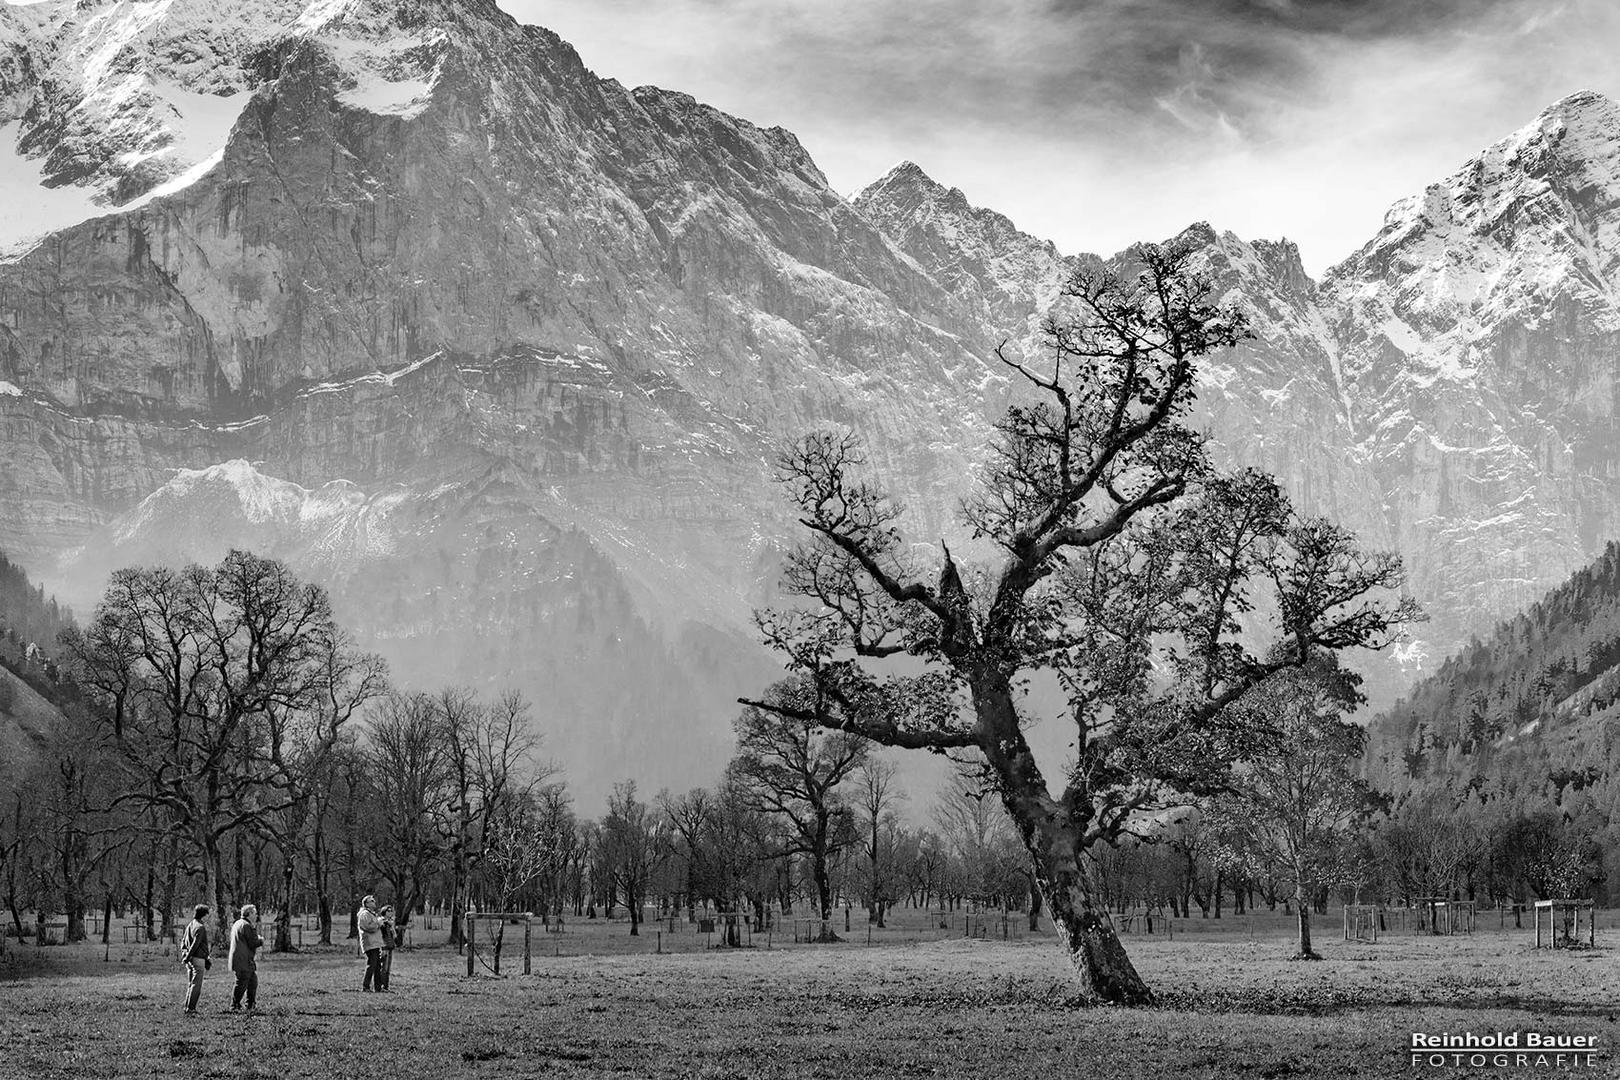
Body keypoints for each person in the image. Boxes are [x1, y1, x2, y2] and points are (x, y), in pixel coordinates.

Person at [227, 904, 263, 1011]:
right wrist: (261, 940)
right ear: (250, 914)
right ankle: (234, 1005)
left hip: (241, 959)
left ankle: (250, 1005)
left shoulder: (238, 923)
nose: (256, 916)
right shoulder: (247, 925)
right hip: (243, 960)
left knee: (253, 982)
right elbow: (253, 942)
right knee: (241, 982)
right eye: (255, 913)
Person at [177, 905, 211, 1014]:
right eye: (207, 914)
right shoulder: (200, 927)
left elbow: (183, 941)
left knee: (191, 983)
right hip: (198, 958)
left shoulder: (190, 925)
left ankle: (187, 1006)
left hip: (191, 959)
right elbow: (195, 944)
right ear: (204, 915)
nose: (208, 917)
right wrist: (188, 956)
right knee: (196, 984)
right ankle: (191, 1008)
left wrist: (186, 955)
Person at [357, 895, 385, 992]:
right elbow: (369, 927)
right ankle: (366, 987)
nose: (374, 902)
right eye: (372, 901)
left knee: (377, 966)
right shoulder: (364, 914)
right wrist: (378, 923)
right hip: (370, 943)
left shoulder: (371, 914)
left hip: (375, 943)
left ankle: (378, 988)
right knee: (372, 965)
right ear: (367, 903)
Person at [378, 905, 396, 992]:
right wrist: (386, 923)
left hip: (390, 945)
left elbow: (395, 936)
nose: (390, 912)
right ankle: (380, 985)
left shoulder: (391, 922)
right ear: (384, 911)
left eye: (391, 911)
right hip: (383, 946)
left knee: (388, 968)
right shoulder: (380, 920)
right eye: (388, 911)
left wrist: (392, 927)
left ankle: (386, 986)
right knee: (383, 967)